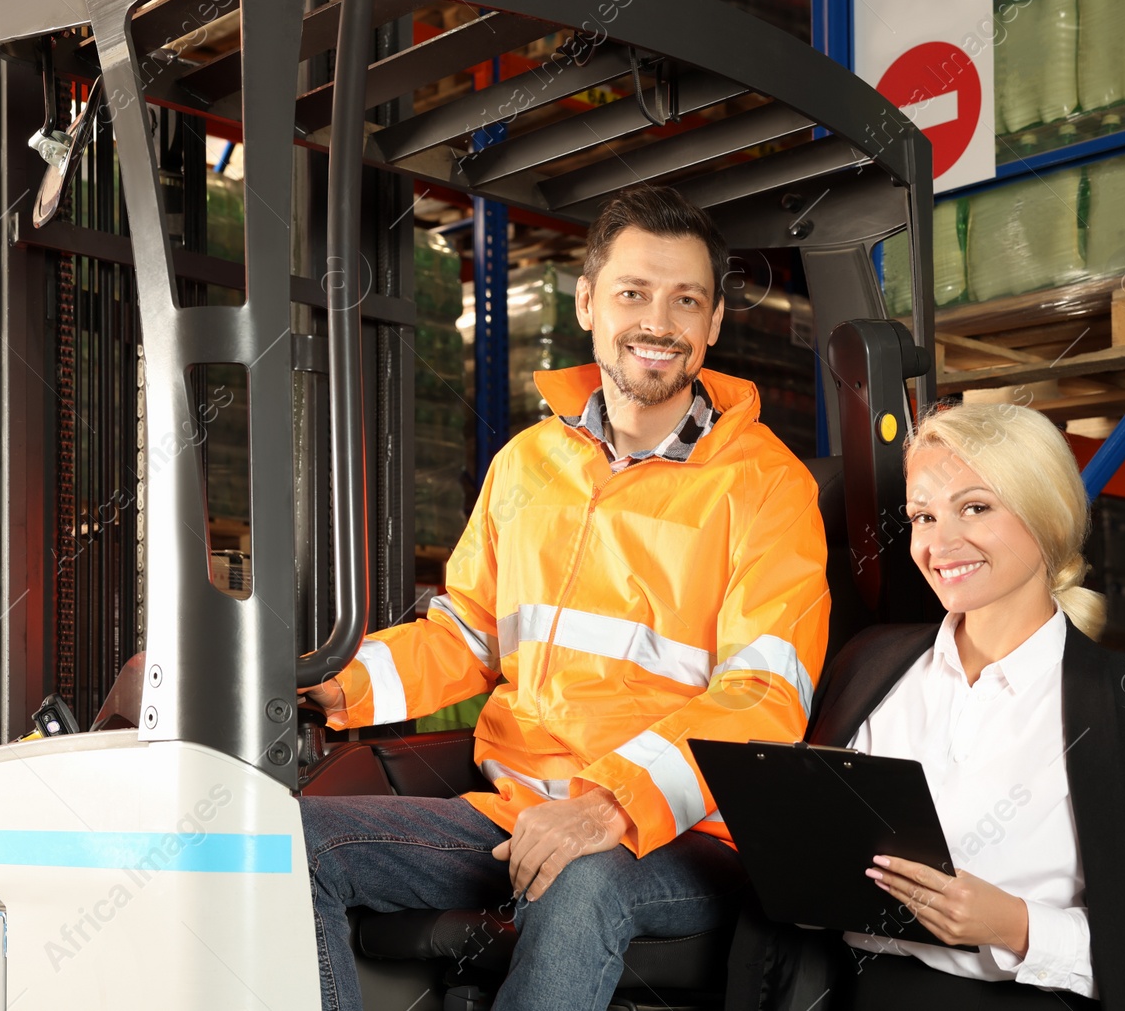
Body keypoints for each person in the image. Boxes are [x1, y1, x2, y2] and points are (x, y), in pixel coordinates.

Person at [297, 184, 831, 1011]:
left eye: (685, 299)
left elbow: (763, 698)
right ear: (586, 302)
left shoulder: (767, 488)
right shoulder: (525, 464)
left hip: (678, 834)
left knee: (582, 884)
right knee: (286, 846)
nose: (659, 320)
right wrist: (337, 681)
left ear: (714, 322)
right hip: (516, 811)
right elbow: (466, 633)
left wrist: (608, 805)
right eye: (633, 293)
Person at [728, 402, 1125, 1011]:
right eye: (923, 516)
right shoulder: (869, 664)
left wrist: (1015, 927)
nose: (939, 543)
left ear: (1045, 515)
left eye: (975, 507)